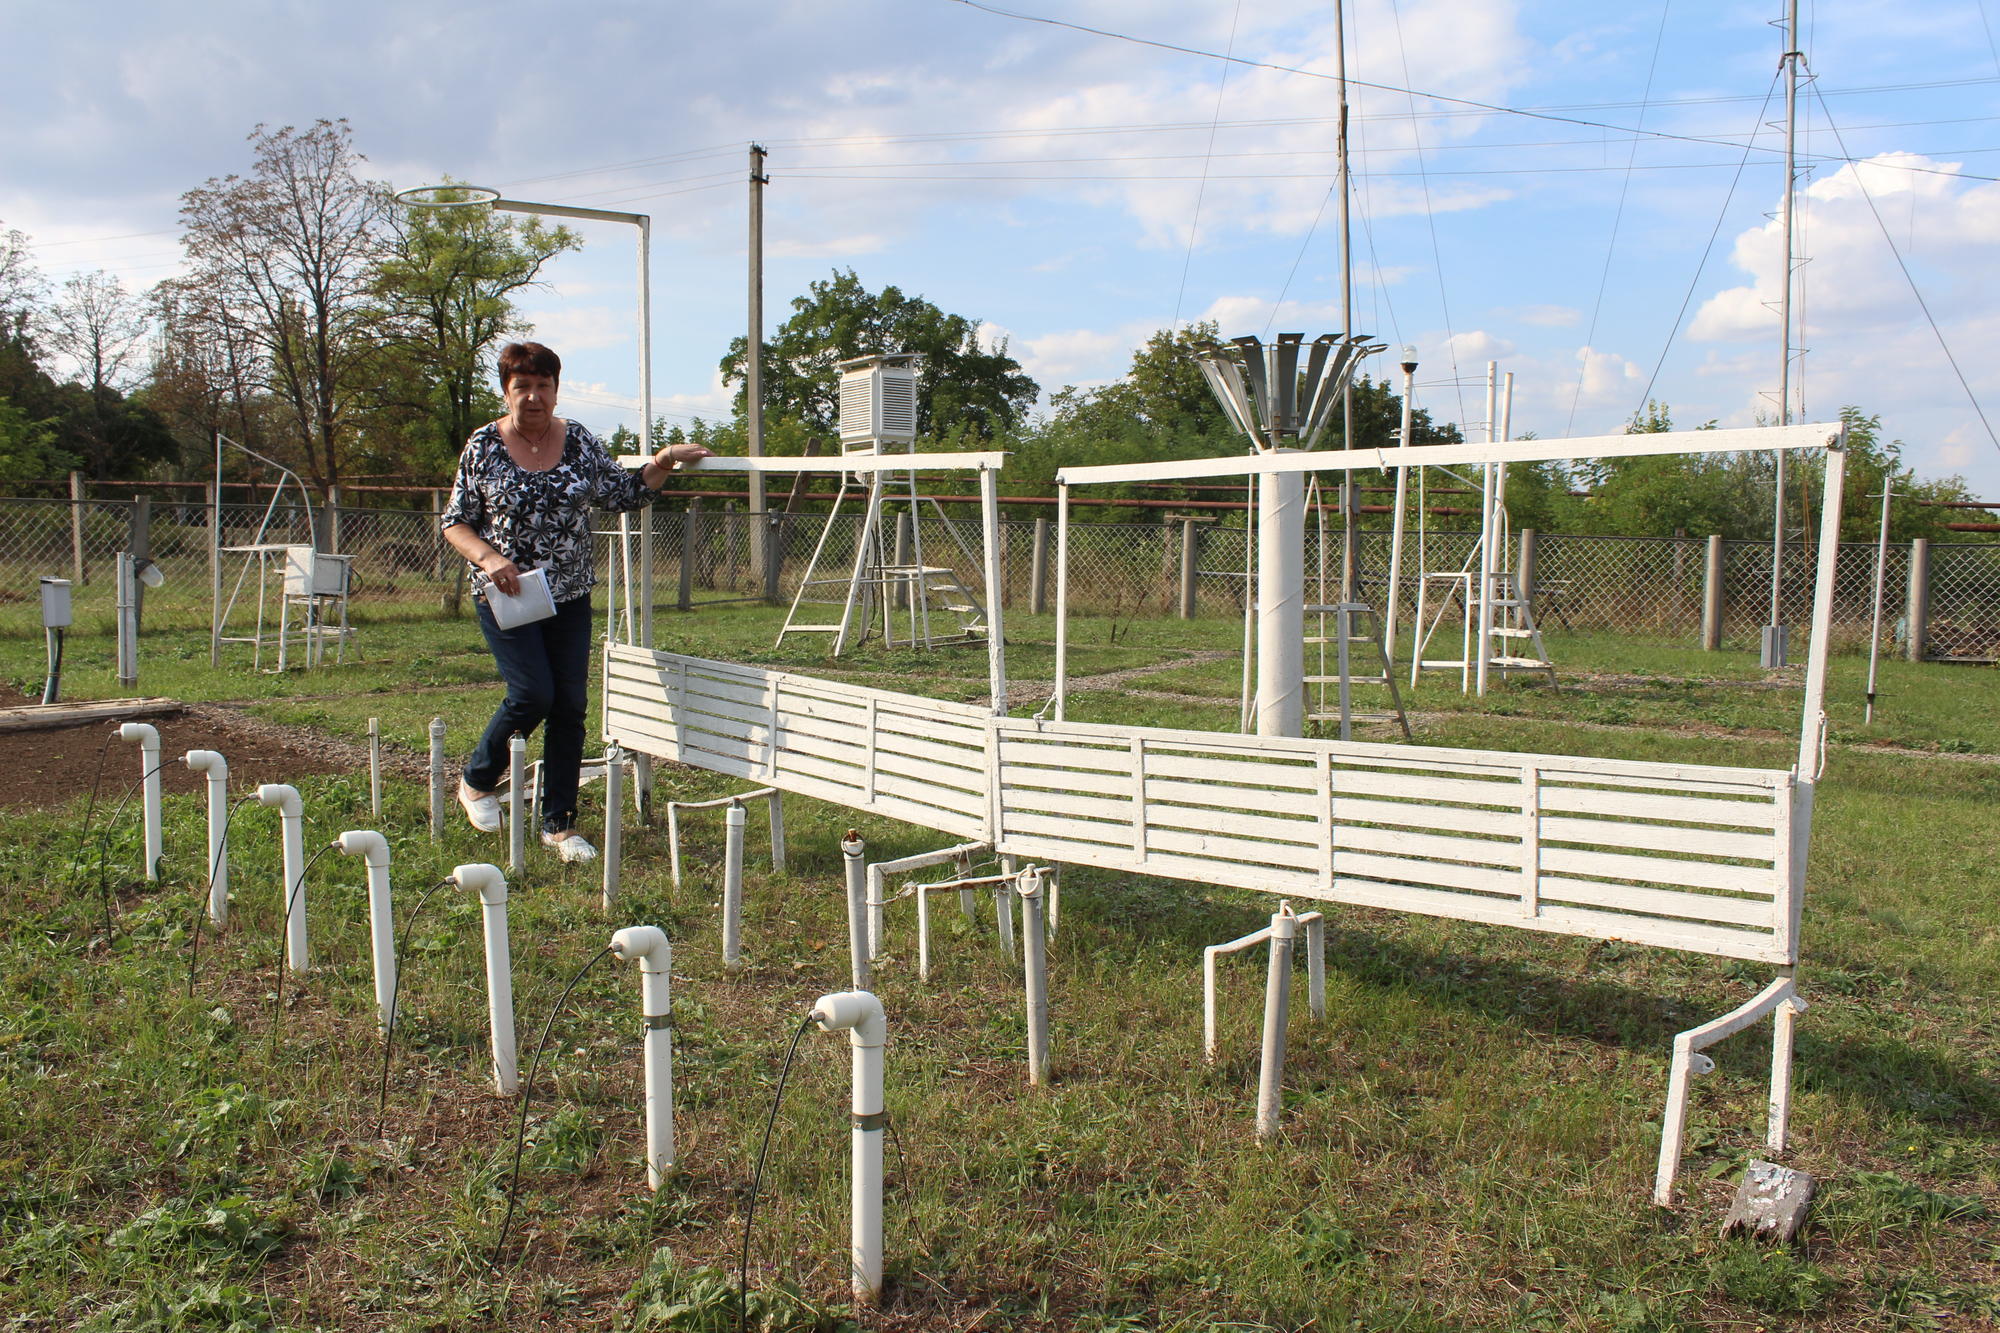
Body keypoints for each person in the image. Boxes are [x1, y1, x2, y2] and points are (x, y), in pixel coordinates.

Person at [441, 341, 712, 862]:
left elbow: (625, 493)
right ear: (506, 391)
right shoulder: (482, 446)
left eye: (544, 386)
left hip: (568, 596)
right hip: (507, 595)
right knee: (532, 694)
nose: (534, 397)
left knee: (570, 706)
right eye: (523, 387)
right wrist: (489, 558)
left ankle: (559, 824)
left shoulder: (579, 441)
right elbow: (456, 521)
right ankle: (477, 780)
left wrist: (662, 460)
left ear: (556, 390)